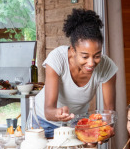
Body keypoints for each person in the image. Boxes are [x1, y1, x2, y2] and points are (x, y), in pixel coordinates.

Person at [33, 8, 118, 138]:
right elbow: (48, 111)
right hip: (43, 123)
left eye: (97, 55)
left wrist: (104, 131)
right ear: (73, 50)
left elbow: (109, 113)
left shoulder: (107, 67)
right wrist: (58, 113)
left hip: (76, 124)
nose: (91, 63)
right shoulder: (57, 58)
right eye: (85, 56)